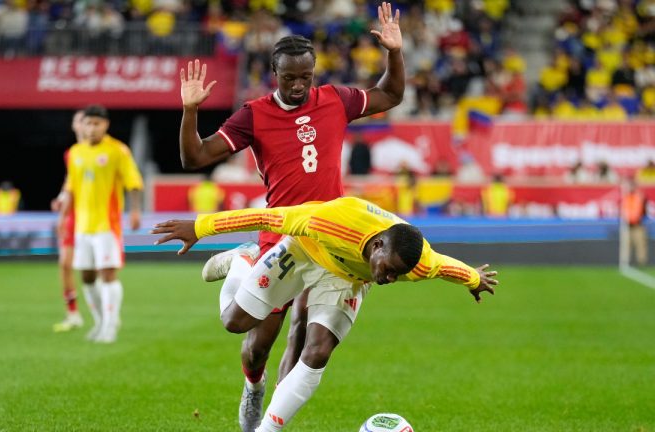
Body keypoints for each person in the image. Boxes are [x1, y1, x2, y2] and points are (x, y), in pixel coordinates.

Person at [178, 3, 406, 430]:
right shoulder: (254, 114)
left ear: (314, 72)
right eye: (290, 78)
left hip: (329, 239)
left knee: (306, 335)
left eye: (306, 77)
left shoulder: (336, 100)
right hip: (280, 238)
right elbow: (195, 157)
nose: (299, 86)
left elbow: (391, 94)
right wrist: (190, 110)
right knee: (255, 345)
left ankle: (271, 424)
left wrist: (395, 51)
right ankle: (253, 383)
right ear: (274, 74)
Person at [152, 196, 498, 431]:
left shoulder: (419, 262)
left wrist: (474, 280)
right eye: (388, 269)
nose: (389, 279)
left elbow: (450, 268)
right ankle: (244, 259)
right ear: (377, 246)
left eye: (396, 275)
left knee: (317, 351)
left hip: (346, 278)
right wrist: (200, 226)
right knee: (234, 321)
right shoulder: (332, 219)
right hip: (305, 251)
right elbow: (264, 216)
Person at [59, 105, 144, 343]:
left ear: (105, 125)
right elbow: (70, 189)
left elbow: (133, 181)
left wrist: (135, 211)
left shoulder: (118, 150)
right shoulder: (75, 152)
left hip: (107, 225)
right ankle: (99, 321)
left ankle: (110, 326)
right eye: (88, 123)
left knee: (107, 275)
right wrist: (63, 218)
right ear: (81, 125)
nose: (92, 128)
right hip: (82, 227)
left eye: (97, 123)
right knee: (86, 276)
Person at [52, 109, 86, 333]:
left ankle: (106, 313)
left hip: (96, 215)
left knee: (93, 269)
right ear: (74, 125)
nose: (84, 125)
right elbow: (70, 182)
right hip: (75, 214)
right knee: (65, 263)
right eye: (80, 121)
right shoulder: (71, 154)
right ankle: (72, 313)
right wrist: (62, 200)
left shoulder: (107, 151)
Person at [622, 177, 648, 267]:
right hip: (627, 225)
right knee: (626, 245)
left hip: (638, 224)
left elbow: (643, 210)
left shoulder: (639, 197)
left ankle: (642, 263)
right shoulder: (625, 197)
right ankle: (625, 262)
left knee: (640, 244)